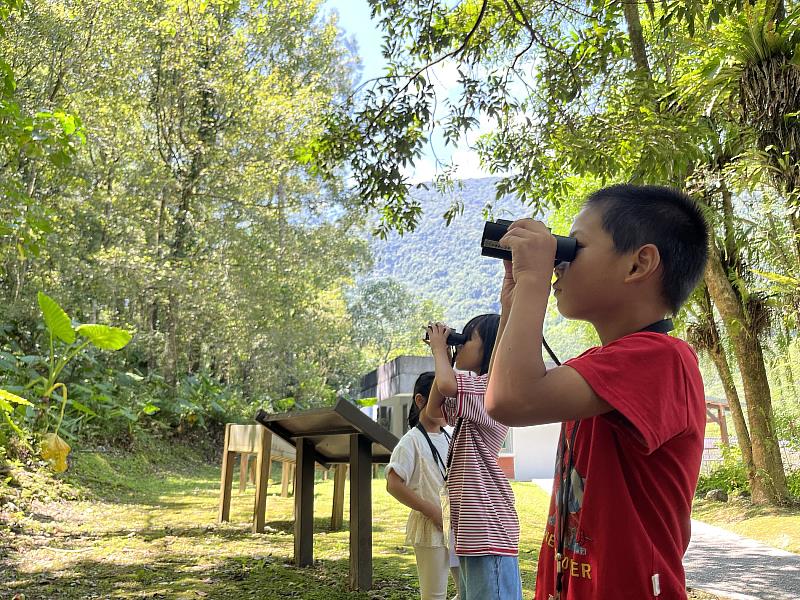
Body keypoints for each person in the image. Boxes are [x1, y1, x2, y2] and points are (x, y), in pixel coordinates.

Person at [485, 184, 709, 599]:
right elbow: (509, 389)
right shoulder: (603, 364)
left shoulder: (662, 358)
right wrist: (515, 299)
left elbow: (510, 400)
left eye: (573, 248)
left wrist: (534, 278)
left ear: (638, 264)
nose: (558, 264)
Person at [425, 314, 522, 600]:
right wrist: (445, 356)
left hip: (488, 530)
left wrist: (439, 351)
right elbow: (433, 411)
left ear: (490, 347)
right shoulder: (476, 391)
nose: (462, 344)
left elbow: (446, 386)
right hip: (472, 531)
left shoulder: (491, 388)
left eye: (468, 338)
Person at [386, 371, 460, 600]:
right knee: (434, 594)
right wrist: (432, 511)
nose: (446, 409)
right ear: (420, 401)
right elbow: (393, 484)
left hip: (457, 526)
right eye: (441, 402)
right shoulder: (411, 441)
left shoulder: (450, 436)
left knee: (468, 590)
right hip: (431, 528)